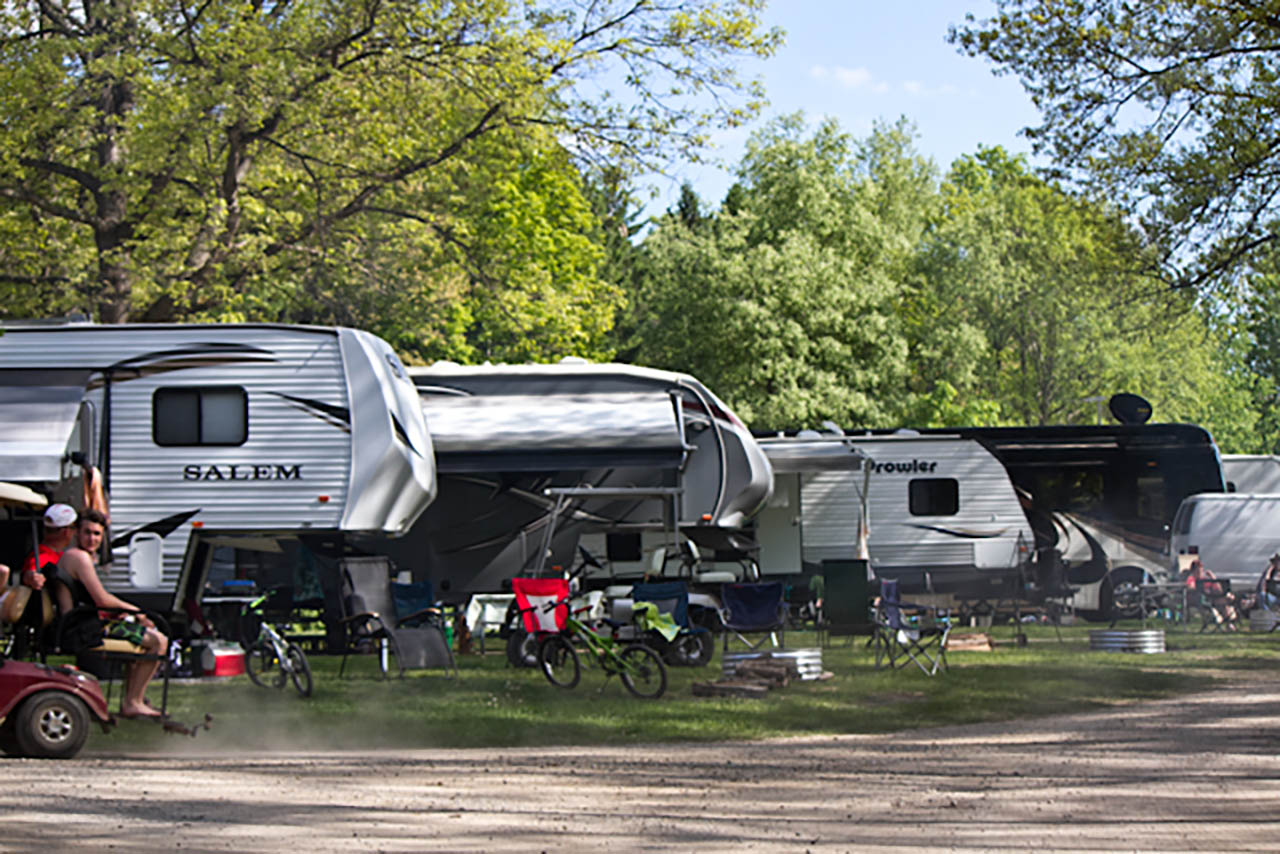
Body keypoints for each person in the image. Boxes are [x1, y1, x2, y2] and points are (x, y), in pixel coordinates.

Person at [58, 509, 169, 719]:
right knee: (159, 642)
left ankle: (134, 699)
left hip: (84, 623)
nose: (92, 539)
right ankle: (133, 702)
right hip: (82, 630)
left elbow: (95, 599)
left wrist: (117, 612)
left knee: (148, 638)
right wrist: (138, 613)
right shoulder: (79, 558)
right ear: (76, 533)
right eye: (87, 532)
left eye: (97, 534)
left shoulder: (77, 557)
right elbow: (102, 600)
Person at [1185, 557, 1238, 629]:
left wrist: (1213, 578)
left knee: (1224, 603)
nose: (1200, 573)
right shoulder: (1191, 579)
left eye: (1201, 571)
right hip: (1201, 600)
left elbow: (1219, 590)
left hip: (1212, 598)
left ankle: (1228, 623)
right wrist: (1200, 590)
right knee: (1224, 603)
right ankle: (1229, 624)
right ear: (1193, 571)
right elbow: (1190, 587)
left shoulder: (1205, 580)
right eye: (1198, 571)